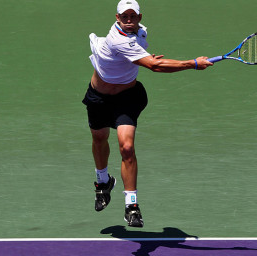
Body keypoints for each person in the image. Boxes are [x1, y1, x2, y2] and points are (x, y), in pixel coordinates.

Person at [82, 0, 213, 228]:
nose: (129, 19)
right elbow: (154, 66)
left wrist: (145, 56)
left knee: (127, 147)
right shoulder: (117, 39)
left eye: (133, 16)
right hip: (99, 98)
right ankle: (103, 182)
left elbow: (146, 58)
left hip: (127, 98)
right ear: (117, 17)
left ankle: (131, 205)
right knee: (99, 138)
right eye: (125, 16)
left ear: (140, 18)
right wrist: (192, 63)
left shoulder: (141, 32)